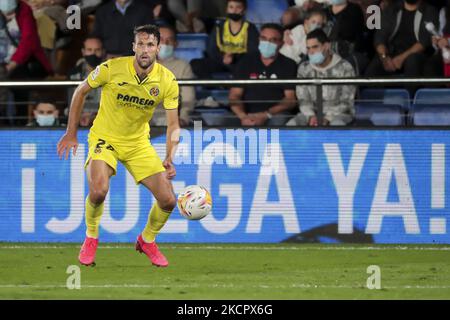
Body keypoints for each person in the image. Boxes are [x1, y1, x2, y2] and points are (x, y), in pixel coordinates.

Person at [57, 24, 180, 268]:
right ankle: (91, 237)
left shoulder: (167, 80)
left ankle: (147, 240)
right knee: (99, 190)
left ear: (158, 47)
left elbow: (173, 124)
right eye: (141, 44)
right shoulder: (111, 69)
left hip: (137, 143)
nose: (145, 50)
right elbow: (80, 92)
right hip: (105, 138)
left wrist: (169, 156)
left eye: (150, 45)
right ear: (133, 47)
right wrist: (71, 133)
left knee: (168, 200)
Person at [229, 23, 297, 126]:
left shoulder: (289, 64)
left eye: (273, 40)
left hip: (274, 114)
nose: (267, 43)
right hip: (246, 114)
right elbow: (234, 95)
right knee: (217, 121)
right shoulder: (245, 61)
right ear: (259, 40)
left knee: (281, 121)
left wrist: (266, 114)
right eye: (264, 38)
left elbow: (290, 99)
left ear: (281, 43)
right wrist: (243, 117)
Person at [287, 29, 356, 126]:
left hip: (339, 114)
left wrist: (327, 118)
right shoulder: (304, 68)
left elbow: (346, 100)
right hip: (310, 114)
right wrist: (311, 116)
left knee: (337, 124)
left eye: (315, 47)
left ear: (326, 46)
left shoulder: (345, 67)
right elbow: (302, 97)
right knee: (292, 124)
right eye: (308, 48)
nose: (311, 52)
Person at [364, 0, 438, 81]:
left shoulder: (429, 11)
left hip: (416, 55)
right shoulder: (392, 9)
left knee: (412, 61)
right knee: (373, 69)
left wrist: (402, 58)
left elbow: (424, 41)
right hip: (392, 53)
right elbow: (380, 37)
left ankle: (411, 94)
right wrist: (384, 57)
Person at [190, 0, 259, 79]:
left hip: (240, 63)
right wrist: (223, 57)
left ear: (244, 10)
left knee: (251, 65)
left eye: (238, 7)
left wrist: (233, 57)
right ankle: (213, 86)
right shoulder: (219, 27)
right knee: (195, 64)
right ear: (227, 9)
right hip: (221, 61)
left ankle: (236, 87)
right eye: (231, 7)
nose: (234, 10)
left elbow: (253, 51)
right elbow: (211, 49)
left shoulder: (250, 28)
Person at [153, 24, 195, 127]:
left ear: (175, 44)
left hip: (169, 118)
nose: (165, 43)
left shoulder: (183, 65)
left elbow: (188, 96)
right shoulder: (140, 64)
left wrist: (183, 118)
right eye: (161, 39)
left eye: (169, 40)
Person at [67, 36, 105, 127]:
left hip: (104, 119)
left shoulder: (112, 72)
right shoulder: (73, 74)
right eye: (89, 50)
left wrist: (95, 116)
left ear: (103, 52)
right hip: (79, 119)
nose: (93, 54)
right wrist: (79, 116)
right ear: (83, 52)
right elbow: (71, 102)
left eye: (97, 50)